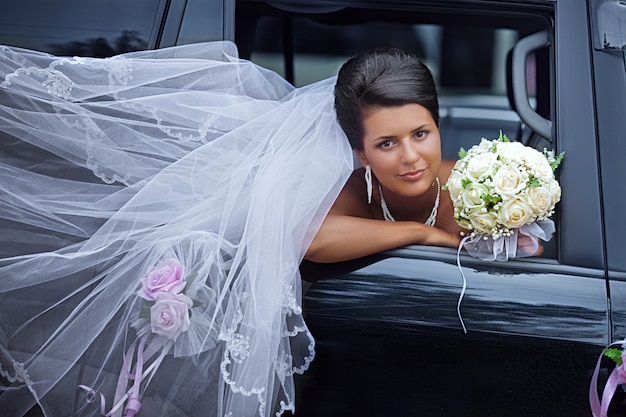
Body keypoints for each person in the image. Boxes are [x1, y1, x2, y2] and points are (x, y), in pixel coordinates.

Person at [0, 42, 535, 417]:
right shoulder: (349, 184)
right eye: (387, 143)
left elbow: (531, 247)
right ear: (359, 149)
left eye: (421, 133)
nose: (411, 157)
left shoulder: (480, 187)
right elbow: (311, 239)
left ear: (439, 124)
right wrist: (423, 236)